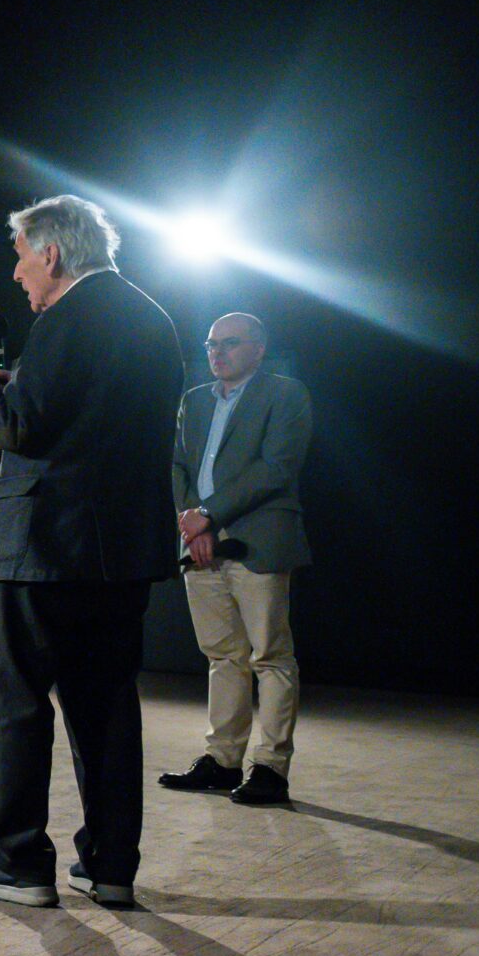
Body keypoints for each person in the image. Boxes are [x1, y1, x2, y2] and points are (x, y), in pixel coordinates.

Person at [0, 193, 182, 909]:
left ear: (51, 252)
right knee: (108, 706)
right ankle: (110, 865)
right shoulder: (153, 319)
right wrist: (17, 382)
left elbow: (21, 430)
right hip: (120, 550)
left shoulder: (65, 317)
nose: (19, 274)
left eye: (21, 258)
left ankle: (18, 860)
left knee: (12, 699)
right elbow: (94, 417)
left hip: (41, 545)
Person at [159, 311, 313, 807]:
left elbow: (276, 467)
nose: (217, 353)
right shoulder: (194, 401)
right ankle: (223, 761)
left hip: (258, 541)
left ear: (258, 349)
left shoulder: (286, 395)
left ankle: (269, 767)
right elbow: (178, 464)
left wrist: (208, 514)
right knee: (222, 656)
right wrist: (191, 519)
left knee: (269, 655)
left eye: (229, 343)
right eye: (210, 344)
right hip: (200, 539)